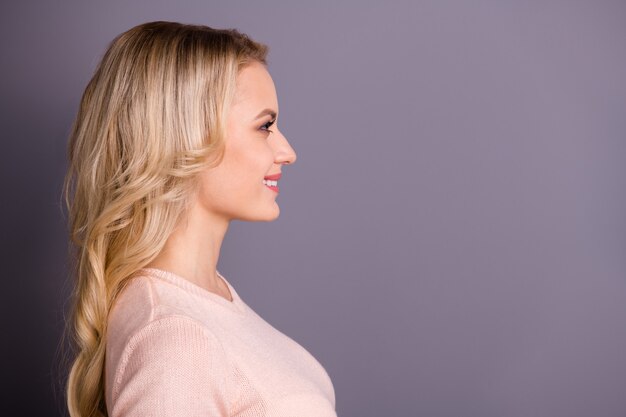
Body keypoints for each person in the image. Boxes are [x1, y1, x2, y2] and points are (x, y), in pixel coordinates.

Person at [62, 21, 337, 417]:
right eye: (265, 126)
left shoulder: (203, 304)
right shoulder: (173, 335)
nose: (287, 151)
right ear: (187, 138)